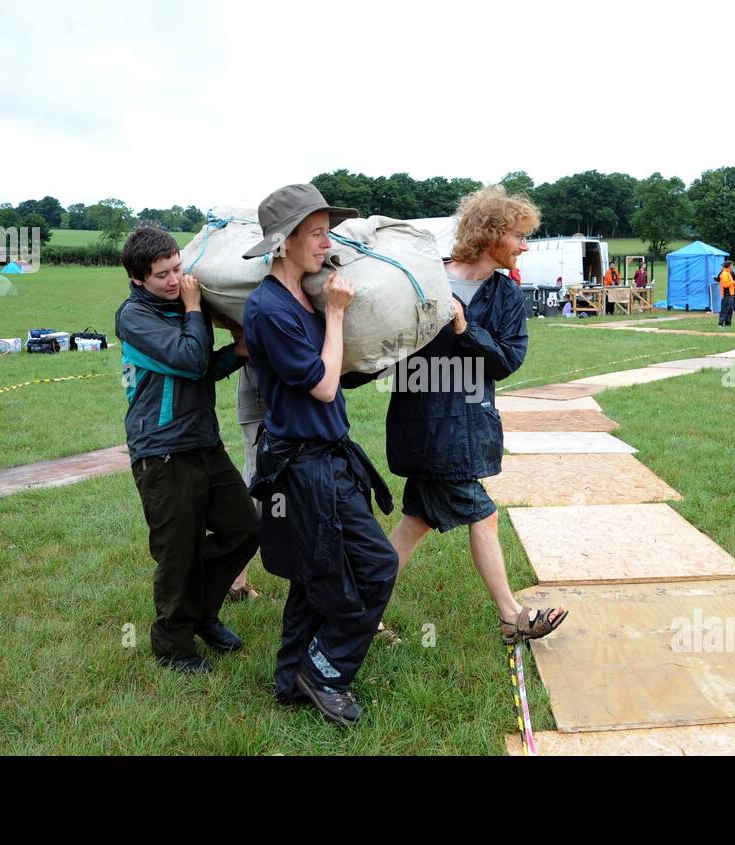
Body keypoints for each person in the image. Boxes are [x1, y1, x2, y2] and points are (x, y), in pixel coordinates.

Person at [360, 185, 568, 646]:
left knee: (415, 525)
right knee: (484, 515)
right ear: (490, 234)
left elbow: (508, 361)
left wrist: (465, 328)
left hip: (472, 427)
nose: (524, 245)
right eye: (518, 235)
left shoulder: (507, 295)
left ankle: (359, 612)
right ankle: (511, 616)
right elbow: (389, 348)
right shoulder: (425, 280)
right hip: (426, 429)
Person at [241, 183, 400, 727]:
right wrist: (335, 316)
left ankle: (289, 682)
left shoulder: (300, 300)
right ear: (282, 243)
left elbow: (337, 377)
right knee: (376, 567)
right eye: (314, 232)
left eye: (327, 230)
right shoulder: (267, 309)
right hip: (304, 465)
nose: (324, 241)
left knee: (313, 575)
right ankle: (324, 670)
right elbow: (323, 388)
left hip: (327, 454)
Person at [115, 227, 258, 675]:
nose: (176, 280)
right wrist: (196, 308)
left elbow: (200, 370)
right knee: (177, 551)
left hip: (202, 442)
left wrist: (237, 352)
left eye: (178, 268)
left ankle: (202, 613)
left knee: (245, 528)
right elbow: (192, 360)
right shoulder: (134, 319)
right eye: (163, 275)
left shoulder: (176, 305)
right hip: (160, 451)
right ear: (138, 278)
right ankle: (172, 644)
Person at [227, 362, 266, 601]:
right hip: (260, 399)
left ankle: (235, 581)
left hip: (294, 398)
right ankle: (233, 580)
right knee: (256, 488)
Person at [717, 260, 735, 326]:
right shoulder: (724, 273)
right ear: (729, 266)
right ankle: (720, 324)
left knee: (730, 310)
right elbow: (725, 285)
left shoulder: (728, 273)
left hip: (731, 294)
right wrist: (733, 282)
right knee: (724, 310)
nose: (732, 266)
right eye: (732, 265)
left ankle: (728, 324)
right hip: (726, 294)